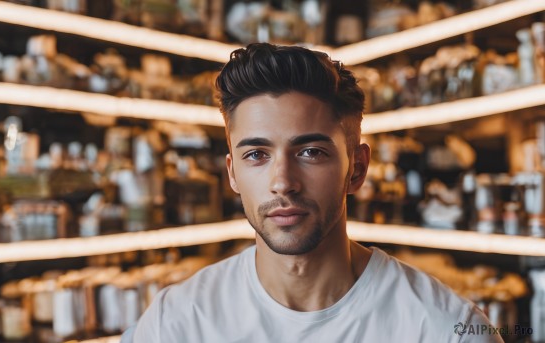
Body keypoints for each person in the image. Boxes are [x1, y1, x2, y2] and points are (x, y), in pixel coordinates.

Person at [123, 43, 503, 342]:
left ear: (356, 168)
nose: (283, 181)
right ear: (232, 173)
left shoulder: (445, 330)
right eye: (256, 154)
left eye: (310, 152)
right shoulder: (177, 323)